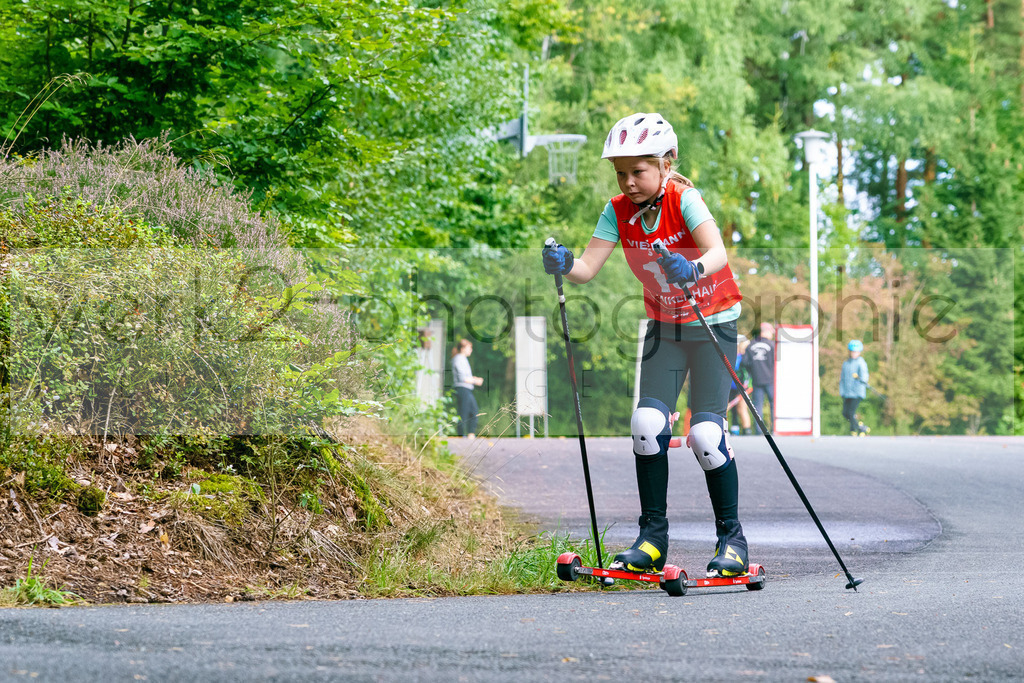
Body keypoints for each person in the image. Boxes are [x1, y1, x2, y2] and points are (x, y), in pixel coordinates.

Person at [543, 112, 749, 578]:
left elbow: (717, 252)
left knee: (706, 436)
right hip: (666, 327)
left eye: (638, 171)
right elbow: (588, 269)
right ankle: (653, 540)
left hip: (713, 322)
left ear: (667, 164)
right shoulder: (617, 209)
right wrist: (564, 262)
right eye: (621, 173)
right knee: (645, 423)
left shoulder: (684, 198)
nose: (629, 181)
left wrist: (692, 268)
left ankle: (731, 540)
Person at [743, 322, 775, 434]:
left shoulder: (751, 345)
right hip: (771, 380)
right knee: (774, 405)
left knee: (757, 405)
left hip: (756, 380)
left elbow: (745, 362)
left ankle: (759, 430)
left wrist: (753, 372)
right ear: (765, 331)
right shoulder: (773, 345)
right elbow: (777, 362)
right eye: (771, 332)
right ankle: (774, 429)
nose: (772, 335)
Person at [450, 339, 483, 438]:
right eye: (469, 348)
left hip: (466, 388)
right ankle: (462, 436)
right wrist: (475, 381)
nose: (471, 350)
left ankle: (470, 434)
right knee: (463, 413)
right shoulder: (459, 359)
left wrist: (474, 379)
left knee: (473, 411)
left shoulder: (462, 359)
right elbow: (462, 378)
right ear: (463, 348)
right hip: (462, 388)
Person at [839, 339, 870, 436]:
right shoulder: (846, 363)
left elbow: (864, 375)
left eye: (856, 352)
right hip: (847, 392)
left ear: (859, 352)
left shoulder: (861, 363)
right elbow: (842, 378)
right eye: (852, 351)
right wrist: (842, 391)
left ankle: (856, 429)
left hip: (857, 392)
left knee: (851, 412)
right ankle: (860, 427)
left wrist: (861, 379)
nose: (854, 354)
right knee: (845, 413)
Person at [729, 335, 753, 435]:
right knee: (732, 409)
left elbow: (748, 373)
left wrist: (747, 386)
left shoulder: (745, 357)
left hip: (742, 387)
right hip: (731, 386)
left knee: (742, 408)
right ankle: (735, 429)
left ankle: (747, 429)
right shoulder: (732, 355)